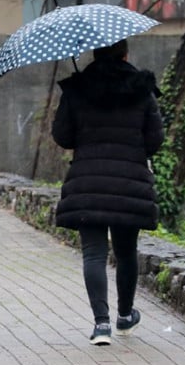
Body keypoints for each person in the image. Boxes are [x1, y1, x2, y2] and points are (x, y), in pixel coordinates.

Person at [50, 38, 164, 346]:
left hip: (88, 182)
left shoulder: (77, 88)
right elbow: (155, 140)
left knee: (94, 253)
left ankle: (101, 325)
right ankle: (125, 317)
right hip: (129, 182)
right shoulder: (141, 88)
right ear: (125, 54)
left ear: (96, 54)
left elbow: (63, 136)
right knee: (126, 252)